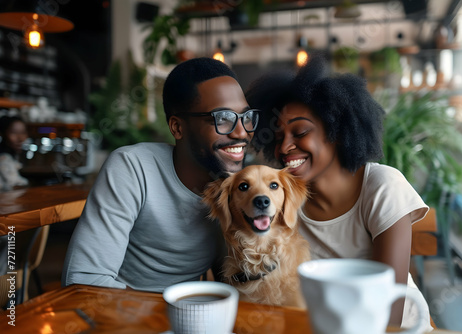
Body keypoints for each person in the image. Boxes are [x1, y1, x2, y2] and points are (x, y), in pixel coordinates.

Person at [246, 56, 432, 331]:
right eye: (277, 137)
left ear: (336, 131)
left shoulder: (381, 187)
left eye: (299, 132)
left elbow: (389, 310)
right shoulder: (284, 202)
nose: (284, 147)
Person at [63, 57, 259, 292]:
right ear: (177, 127)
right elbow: (83, 282)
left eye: (246, 118)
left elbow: (227, 279)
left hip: (188, 316)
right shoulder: (133, 168)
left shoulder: (236, 190)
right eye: (223, 119)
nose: (242, 133)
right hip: (119, 317)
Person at [0, 115, 29, 191]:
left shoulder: (15, 156)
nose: (20, 138)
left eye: (23, 132)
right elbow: (15, 185)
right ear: (3, 134)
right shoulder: (4, 158)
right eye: (14, 132)